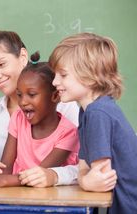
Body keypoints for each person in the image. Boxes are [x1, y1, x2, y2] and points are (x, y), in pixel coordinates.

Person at [49, 32, 137, 213]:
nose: (55, 81)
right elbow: (84, 169)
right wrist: (85, 179)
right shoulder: (87, 111)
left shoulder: (98, 113)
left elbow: (100, 178)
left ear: (90, 76)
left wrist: (87, 180)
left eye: (63, 75)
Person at [0, 52, 79, 187]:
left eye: (32, 94)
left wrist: (3, 180)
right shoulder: (18, 118)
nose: (23, 102)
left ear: (55, 96)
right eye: (19, 95)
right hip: (19, 193)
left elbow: (38, 175)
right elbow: (5, 168)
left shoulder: (69, 133)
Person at [0, 30, 79, 162]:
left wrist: (55, 176)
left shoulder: (64, 105)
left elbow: (81, 164)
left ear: (23, 56)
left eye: (1, 64)